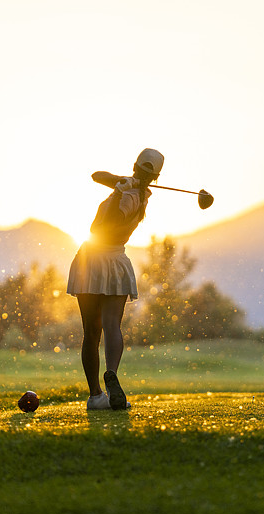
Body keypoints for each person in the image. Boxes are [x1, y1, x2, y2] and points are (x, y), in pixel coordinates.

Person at [66, 148, 164, 410]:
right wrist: (121, 182)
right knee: (111, 326)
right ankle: (112, 374)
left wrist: (121, 189)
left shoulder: (130, 198)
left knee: (91, 332)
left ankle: (96, 395)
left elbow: (100, 227)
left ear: (135, 166)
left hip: (92, 260)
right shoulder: (140, 193)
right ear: (155, 177)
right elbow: (97, 175)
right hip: (116, 262)